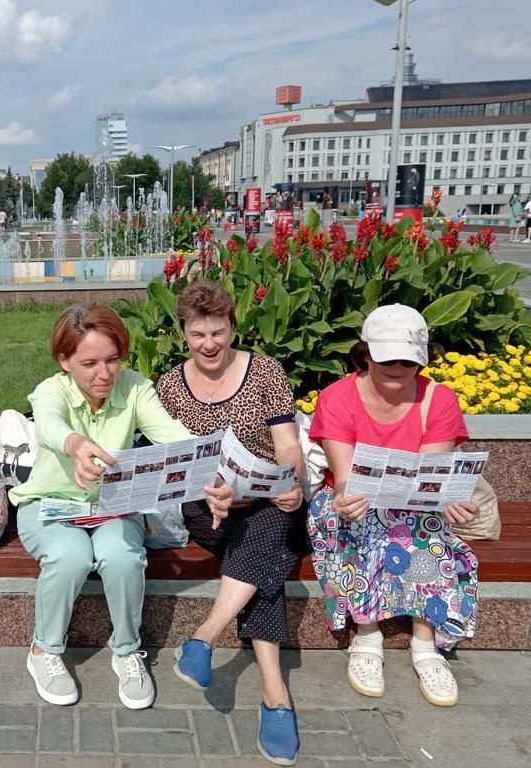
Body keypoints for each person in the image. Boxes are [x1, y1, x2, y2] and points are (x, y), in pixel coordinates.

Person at [9, 303, 233, 711]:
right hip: (49, 505)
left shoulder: (134, 388)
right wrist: (75, 445)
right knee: (69, 555)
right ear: (64, 360)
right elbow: (49, 424)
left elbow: (173, 437)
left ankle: (127, 651)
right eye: (89, 363)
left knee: (122, 555)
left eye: (113, 360)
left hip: (115, 504)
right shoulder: (50, 390)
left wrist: (214, 477)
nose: (104, 374)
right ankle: (44, 651)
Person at [156, 281, 304, 766]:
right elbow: (173, 460)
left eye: (218, 332)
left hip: (267, 499)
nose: (209, 344)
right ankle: (274, 700)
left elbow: (286, 445)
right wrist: (210, 488)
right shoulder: (171, 386)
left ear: (233, 327)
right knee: (264, 556)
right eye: (198, 333)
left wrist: (290, 478)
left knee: (266, 528)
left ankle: (211, 643)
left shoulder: (264, 372)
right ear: (183, 333)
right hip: (207, 507)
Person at [306, 304, 480, 708]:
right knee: (360, 520)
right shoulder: (337, 398)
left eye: (408, 359)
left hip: (412, 508)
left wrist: (450, 501)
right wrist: (351, 500)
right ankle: (367, 632)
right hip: (348, 502)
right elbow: (345, 477)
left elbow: (433, 480)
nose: (398, 367)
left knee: (425, 526)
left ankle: (425, 642)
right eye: (387, 358)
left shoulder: (438, 399)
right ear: (365, 354)